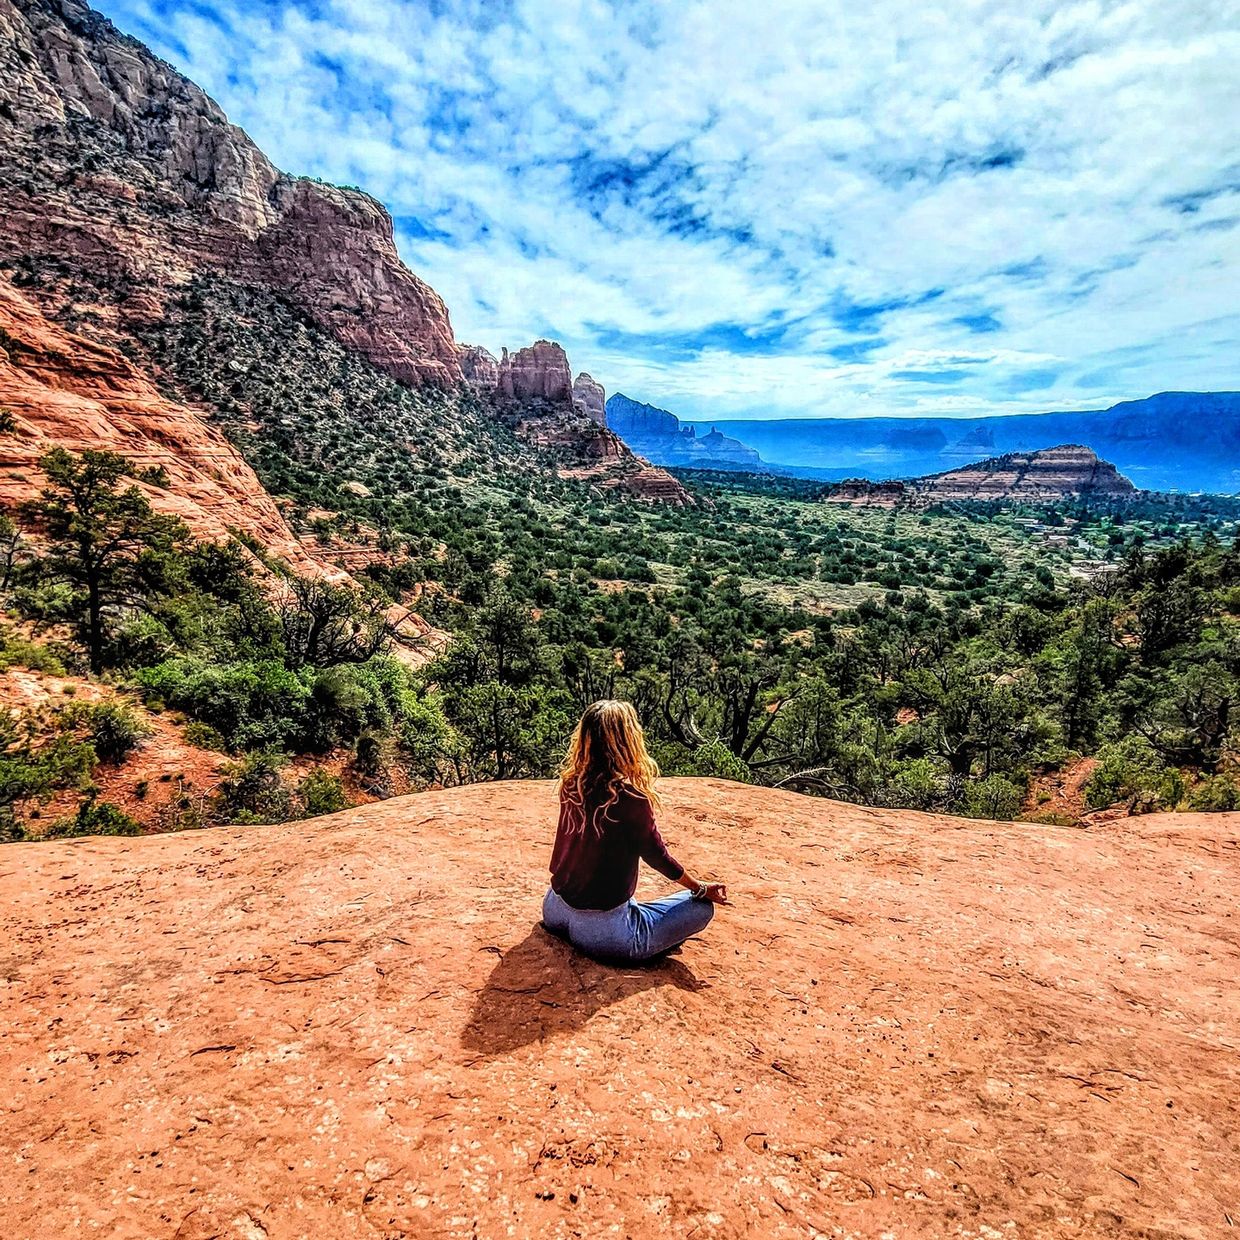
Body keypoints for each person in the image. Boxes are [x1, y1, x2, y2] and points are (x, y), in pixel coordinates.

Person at [542, 700, 727, 962]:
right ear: (628, 740)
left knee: (641, 905)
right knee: (700, 909)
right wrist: (699, 889)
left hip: (554, 909)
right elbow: (657, 856)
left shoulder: (572, 784)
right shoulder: (630, 799)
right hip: (604, 933)